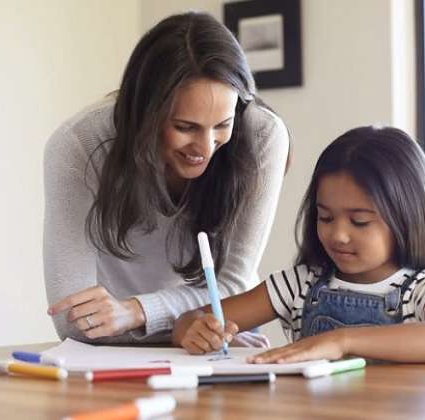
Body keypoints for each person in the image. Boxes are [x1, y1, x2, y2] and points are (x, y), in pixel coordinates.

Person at [43, 12, 289, 344]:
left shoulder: (263, 135)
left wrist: (137, 312)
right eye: (185, 127)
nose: (205, 147)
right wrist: (177, 325)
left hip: (213, 333)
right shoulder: (79, 144)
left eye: (222, 125)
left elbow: (235, 285)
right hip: (114, 348)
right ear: (145, 111)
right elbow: (74, 320)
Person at [173, 126, 425, 363]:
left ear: (406, 218)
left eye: (359, 222)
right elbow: (191, 320)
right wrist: (196, 330)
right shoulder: (299, 284)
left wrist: (342, 341)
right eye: (326, 217)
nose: (338, 235)